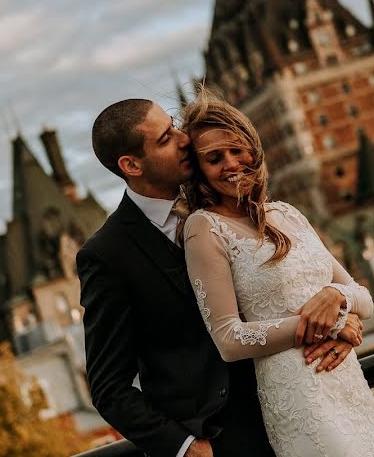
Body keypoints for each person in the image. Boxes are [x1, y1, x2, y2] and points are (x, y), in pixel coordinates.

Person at [78, 99, 359, 457]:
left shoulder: (224, 197)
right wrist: (184, 447)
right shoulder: (107, 255)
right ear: (131, 165)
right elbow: (108, 389)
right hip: (221, 442)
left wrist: (340, 315)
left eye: (175, 125)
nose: (183, 139)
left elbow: (292, 285)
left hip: (300, 405)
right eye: (165, 138)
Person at [180, 89, 374, 457]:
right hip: (298, 397)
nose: (231, 163)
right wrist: (330, 325)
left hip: (348, 385)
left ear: (254, 149)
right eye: (214, 158)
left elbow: (363, 296)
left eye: (237, 149)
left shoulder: (288, 213)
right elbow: (229, 339)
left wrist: (338, 298)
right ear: (199, 170)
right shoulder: (204, 228)